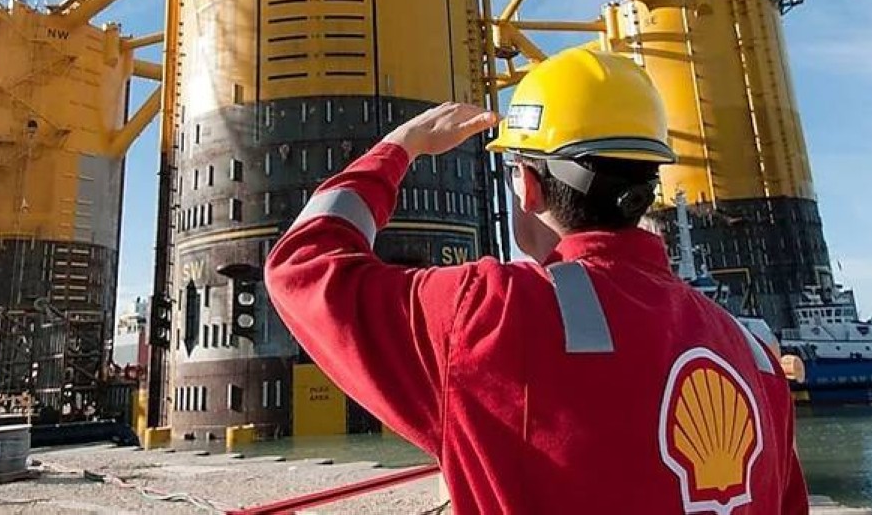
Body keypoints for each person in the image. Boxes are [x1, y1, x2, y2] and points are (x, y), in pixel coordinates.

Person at [265, 47, 808, 514]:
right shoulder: (754, 355)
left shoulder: (493, 314)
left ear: (526, 185)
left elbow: (303, 266)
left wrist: (399, 147)